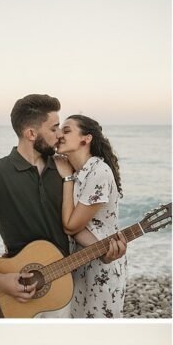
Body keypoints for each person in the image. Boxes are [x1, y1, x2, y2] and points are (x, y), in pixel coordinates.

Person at [0, 94, 126, 318]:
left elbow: (73, 227)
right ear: (31, 134)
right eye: (53, 129)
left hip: (61, 289)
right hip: (14, 290)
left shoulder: (68, 170)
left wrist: (103, 252)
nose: (59, 134)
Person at [54, 115, 127, 318]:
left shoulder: (98, 173)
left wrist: (67, 178)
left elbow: (70, 226)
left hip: (102, 266)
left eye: (67, 130)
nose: (59, 134)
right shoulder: (76, 172)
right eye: (59, 130)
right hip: (78, 262)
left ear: (86, 139)